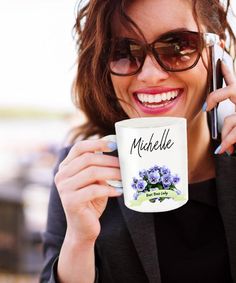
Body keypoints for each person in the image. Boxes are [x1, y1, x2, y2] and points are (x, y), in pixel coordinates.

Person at [40, 0, 236, 282]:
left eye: (178, 46)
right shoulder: (80, 175)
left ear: (218, 55)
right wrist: (78, 242)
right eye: (124, 52)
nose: (150, 75)